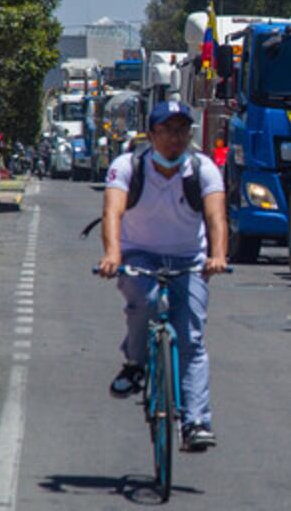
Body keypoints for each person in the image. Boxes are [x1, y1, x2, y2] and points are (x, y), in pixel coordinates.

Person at [97, 101, 228, 451]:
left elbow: (216, 218)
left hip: (189, 258)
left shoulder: (203, 170)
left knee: (191, 337)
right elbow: (113, 211)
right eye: (168, 130)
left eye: (183, 130)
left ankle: (196, 421)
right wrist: (113, 255)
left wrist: (217, 256)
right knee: (148, 300)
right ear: (152, 134)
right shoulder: (128, 166)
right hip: (139, 254)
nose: (176, 138)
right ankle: (136, 364)